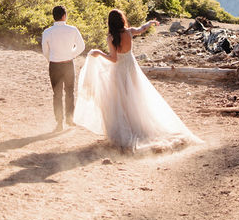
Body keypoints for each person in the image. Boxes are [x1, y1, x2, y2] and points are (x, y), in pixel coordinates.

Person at [74, 9, 201, 152]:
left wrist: (99, 53)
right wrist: (151, 22)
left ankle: (127, 129)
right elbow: (142, 29)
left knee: (121, 101)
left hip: (119, 71)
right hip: (132, 68)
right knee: (136, 97)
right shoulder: (129, 32)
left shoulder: (111, 38)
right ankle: (140, 126)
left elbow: (114, 59)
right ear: (122, 20)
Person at [40, 5, 85, 131]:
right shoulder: (72, 29)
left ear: (53, 17)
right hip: (68, 63)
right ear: (64, 16)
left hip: (54, 65)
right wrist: (71, 54)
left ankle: (59, 122)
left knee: (57, 94)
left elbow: (45, 51)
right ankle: (70, 118)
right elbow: (81, 46)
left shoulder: (47, 32)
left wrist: (52, 58)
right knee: (69, 91)